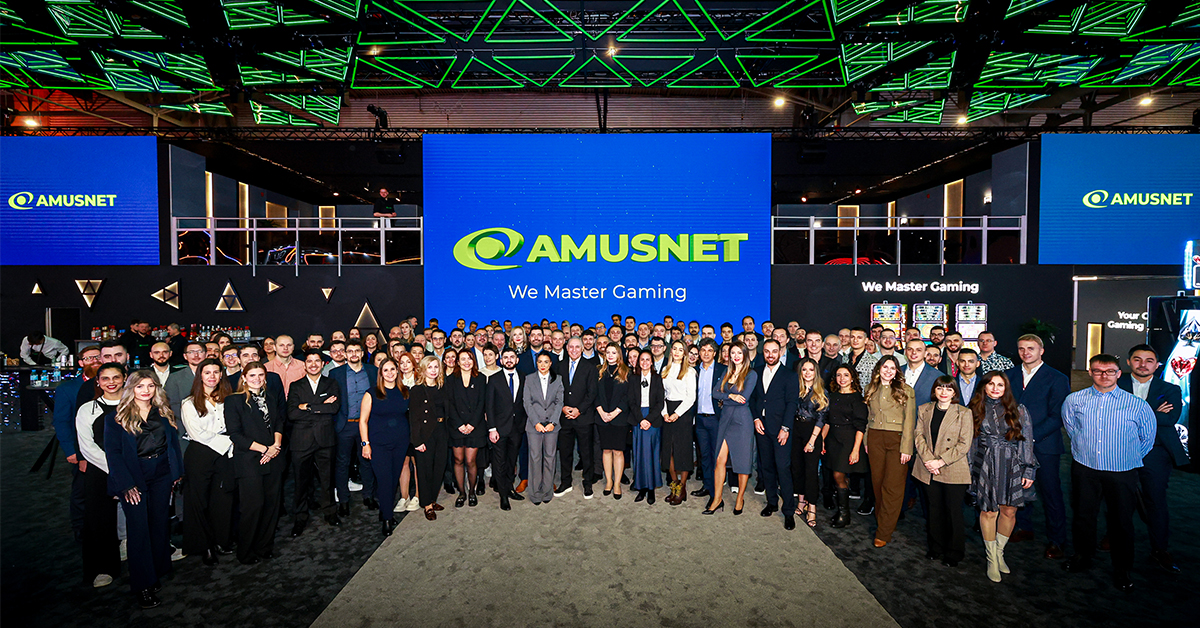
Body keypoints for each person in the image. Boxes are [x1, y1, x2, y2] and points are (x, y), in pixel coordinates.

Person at [1061, 354, 1156, 591]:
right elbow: (1072, 429)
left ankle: (1122, 568)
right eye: (1098, 371)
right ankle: (1083, 556)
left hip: (1122, 471)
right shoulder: (1074, 400)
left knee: (1122, 522)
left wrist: (1123, 456)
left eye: (1109, 371)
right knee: (1083, 515)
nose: (1104, 376)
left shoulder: (1137, 405)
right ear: (1090, 372)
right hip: (1085, 468)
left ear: (1118, 373)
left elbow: (1147, 440)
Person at [103, 370, 183, 609]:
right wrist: (127, 484)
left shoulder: (163, 411)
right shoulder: (115, 417)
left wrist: (175, 475)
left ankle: (157, 570)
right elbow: (113, 454)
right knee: (138, 530)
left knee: (159, 523)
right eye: (140, 386)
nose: (146, 390)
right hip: (134, 476)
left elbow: (172, 445)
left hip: (161, 474)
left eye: (150, 386)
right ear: (131, 389)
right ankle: (143, 585)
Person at [1117, 344, 1186, 573]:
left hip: (1156, 452)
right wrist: (1153, 413)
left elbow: (1170, 419)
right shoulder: (1117, 384)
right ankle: (1113, 537)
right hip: (1120, 450)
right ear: (1129, 362)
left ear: (1157, 364)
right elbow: (1111, 416)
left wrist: (1131, 414)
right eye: (1137, 359)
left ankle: (1160, 549)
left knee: (1155, 500)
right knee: (1117, 499)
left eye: (1149, 360)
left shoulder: (1171, 389)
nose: (1142, 364)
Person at [1006, 334, 1071, 558]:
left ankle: (1057, 540)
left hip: (1044, 445)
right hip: (1013, 443)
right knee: (1018, 489)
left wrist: (1028, 438)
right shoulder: (1009, 375)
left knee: (1050, 492)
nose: (1026, 353)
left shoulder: (1057, 378)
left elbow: (1057, 416)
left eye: (1031, 348)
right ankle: (1024, 528)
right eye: (1022, 348)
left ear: (1041, 350)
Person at [969, 371, 1038, 582]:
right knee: (989, 511)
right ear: (984, 386)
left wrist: (1029, 469)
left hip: (1013, 464)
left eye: (1000, 384)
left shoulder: (1019, 410)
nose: (995, 388)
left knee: (1009, 511)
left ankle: (1000, 553)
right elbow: (970, 444)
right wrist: (970, 471)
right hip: (985, 464)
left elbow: (1026, 441)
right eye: (991, 384)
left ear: (1006, 388)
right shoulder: (973, 410)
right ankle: (991, 559)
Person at [224, 362, 284, 565]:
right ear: (243, 377)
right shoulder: (234, 401)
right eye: (252, 375)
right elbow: (235, 435)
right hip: (250, 460)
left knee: (271, 505)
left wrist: (275, 445)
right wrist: (264, 449)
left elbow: (278, 423)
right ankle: (246, 550)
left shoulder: (271, 397)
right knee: (253, 507)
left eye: (260, 375)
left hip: (274, 458)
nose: (257, 378)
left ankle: (264, 546)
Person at [912, 375, 973, 567]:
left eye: (948, 389)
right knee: (933, 509)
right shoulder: (924, 409)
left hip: (952, 468)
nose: (943, 392)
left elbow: (964, 444)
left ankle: (954, 551)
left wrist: (940, 462)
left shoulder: (964, 413)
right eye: (940, 388)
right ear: (934, 390)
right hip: (927, 466)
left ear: (954, 392)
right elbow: (918, 435)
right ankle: (936, 547)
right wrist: (929, 460)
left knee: (953, 511)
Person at [179, 359, 235, 566]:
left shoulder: (229, 399)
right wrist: (231, 441)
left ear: (221, 375)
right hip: (201, 454)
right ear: (200, 376)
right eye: (207, 372)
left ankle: (221, 540)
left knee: (222, 499)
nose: (211, 376)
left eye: (216, 372)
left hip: (225, 455)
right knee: (199, 501)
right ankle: (205, 546)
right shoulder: (189, 402)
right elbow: (197, 434)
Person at [75, 363, 125, 588]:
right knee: (99, 520)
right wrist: (115, 467)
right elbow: (87, 447)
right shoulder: (88, 409)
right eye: (105, 378)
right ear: (98, 382)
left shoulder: (135, 404)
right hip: (100, 469)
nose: (111, 382)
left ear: (125, 378)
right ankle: (104, 568)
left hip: (134, 467)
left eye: (116, 377)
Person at [286, 349, 341, 536]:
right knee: (301, 482)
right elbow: (292, 413)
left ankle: (330, 512)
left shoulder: (331, 383)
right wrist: (319, 407)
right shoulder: (296, 386)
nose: (313, 364)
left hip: (325, 439)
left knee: (327, 479)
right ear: (305, 364)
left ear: (323, 363)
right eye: (309, 361)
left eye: (317, 361)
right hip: (301, 441)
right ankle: (300, 518)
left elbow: (333, 408)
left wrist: (307, 407)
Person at [864, 355, 916, 547]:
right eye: (885, 367)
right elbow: (869, 418)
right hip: (875, 439)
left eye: (892, 368)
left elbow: (910, 421)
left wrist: (906, 448)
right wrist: (866, 442)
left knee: (892, 487)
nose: (888, 371)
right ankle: (883, 520)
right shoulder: (871, 389)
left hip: (897, 440)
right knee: (877, 484)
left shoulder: (906, 391)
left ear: (897, 371)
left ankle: (884, 532)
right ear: (879, 369)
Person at [54, 346, 103, 541]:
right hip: (81, 448)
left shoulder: (114, 382)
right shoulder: (67, 389)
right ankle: (80, 528)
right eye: (89, 358)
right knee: (82, 491)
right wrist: (70, 450)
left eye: (98, 357)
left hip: (108, 447)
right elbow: (62, 421)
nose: (95, 361)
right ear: (81, 363)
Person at [359, 358, 410, 536]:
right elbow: (363, 421)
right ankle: (387, 519)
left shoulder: (404, 392)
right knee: (385, 480)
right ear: (380, 373)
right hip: (378, 444)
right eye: (386, 370)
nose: (390, 373)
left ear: (397, 372)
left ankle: (384, 510)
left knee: (393, 478)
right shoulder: (371, 393)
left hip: (400, 443)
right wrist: (365, 444)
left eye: (393, 370)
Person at [753, 339, 800, 529]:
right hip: (762, 428)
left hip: (781, 429)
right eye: (766, 351)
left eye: (774, 351)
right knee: (767, 468)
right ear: (762, 352)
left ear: (780, 352)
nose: (770, 355)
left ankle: (788, 511)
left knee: (783, 469)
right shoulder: (755, 372)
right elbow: (753, 399)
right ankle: (771, 503)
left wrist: (786, 428)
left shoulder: (789, 375)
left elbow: (792, 403)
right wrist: (756, 418)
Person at [328, 340, 378, 516]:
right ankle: (343, 500)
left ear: (362, 353)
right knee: (342, 464)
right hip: (345, 425)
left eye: (357, 350)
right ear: (345, 354)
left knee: (367, 461)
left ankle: (369, 496)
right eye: (350, 351)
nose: (354, 354)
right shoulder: (335, 373)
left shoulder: (373, 371)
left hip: (367, 425)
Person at [707, 342, 758, 515]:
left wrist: (726, 397)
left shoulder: (751, 374)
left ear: (745, 354)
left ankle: (740, 498)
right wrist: (730, 396)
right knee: (719, 460)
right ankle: (717, 499)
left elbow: (744, 398)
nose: (736, 356)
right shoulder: (726, 372)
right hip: (725, 420)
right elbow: (714, 393)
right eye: (732, 352)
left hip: (742, 421)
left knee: (743, 463)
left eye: (739, 352)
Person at [823, 365, 869, 527]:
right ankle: (842, 509)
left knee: (838, 476)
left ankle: (844, 514)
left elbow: (860, 426)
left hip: (848, 441)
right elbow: (827, 420)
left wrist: (856, 450)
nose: (842, 378)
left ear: (852, 378)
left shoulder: (857, 399)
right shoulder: (833, 396)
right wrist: (821, 439)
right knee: (837, 476)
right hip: (833, 439)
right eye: (838, 375)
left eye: (846, 375)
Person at [555, 338, 598, 498]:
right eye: (571, 347)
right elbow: (555, 390)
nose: (574, 350)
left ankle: (587, 484)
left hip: (583, 417)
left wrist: (579, 409)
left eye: (577, 347)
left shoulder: (590, 367)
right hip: (564, 417)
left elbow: (592, 392)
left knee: (586, 452)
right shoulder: (558, 367)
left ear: (582, 349)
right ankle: (565, 483)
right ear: (567, 348)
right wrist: (563, 407)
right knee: (565, 452)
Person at [486, 348, 527, 510]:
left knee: (511, 461)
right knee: (499, 462)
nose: (509, 360)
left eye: (512, 357)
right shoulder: (494, 379)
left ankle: (509, 488)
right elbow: (489, 406)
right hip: (499, 429)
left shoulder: (524, 377)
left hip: (517, 428)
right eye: (506, 358)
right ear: (501, 361)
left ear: (517, 360)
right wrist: (492, 429)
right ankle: (503, 495)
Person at [410, 356, 451, 520]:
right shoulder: (417, 389)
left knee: (438, 468)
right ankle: (426, 504)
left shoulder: (443, 387)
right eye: (430, 367)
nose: (433, 370)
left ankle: (432, 500)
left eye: (436, 367)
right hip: (425, 433)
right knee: (425, 470)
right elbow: (413, 418)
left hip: (442, 431)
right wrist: (417, 441)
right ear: (423, 369)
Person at [448, 349, 487, 507]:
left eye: (469, 358)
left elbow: (481, 403)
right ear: (457, 362)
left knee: (470, 461)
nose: (466, 362)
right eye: (462, 359)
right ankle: (462, 493)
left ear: (473, 361)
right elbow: (449, 404)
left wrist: (471, 424)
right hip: (456, 426)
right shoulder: (450, 380)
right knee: (458, 460)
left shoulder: (481, 378)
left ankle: (472, 491)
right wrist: (459, 424)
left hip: (475, 426)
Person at [524, 352, 564, 505]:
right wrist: (536, 423)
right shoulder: (529, 379)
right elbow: (527, 403)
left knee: (550, 457)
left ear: (550, 364)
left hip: (552, 426)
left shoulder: (558, 379)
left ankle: (547, 491)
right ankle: (534, 493)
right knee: (534, 458)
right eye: (540, 361)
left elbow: (559, 402)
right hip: (534, 425)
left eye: (546, 362)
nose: (542, 365)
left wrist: (553, 422)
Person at [660, 340, 697, 505]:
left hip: (683, 412)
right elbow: (661, 395)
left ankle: (682, 487)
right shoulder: (664, 370)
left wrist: (676, 414)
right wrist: (665, 412)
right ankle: (674, 484)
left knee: (683, 450)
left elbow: (691, 397)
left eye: (680, 349)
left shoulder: (689, 371)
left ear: (685, 353)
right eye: (674, 349)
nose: (676, 352)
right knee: (670, 451)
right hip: (667, 411)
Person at [792, 358, 827, 528]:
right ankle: (800, 501)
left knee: (811, 471)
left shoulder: (821, 392)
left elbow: (821, 419)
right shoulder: (796, 390)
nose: (807, 373)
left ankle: (812, 507)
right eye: (804, 370)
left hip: (812, 432)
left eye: (811, 370)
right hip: (795, 431)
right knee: (797, 468)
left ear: (816, 372)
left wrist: (812, 441)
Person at [628, 349, 665, 505]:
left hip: (652, 418)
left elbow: (660, 402)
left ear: (652, 362)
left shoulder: (657, 378)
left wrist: (648, 419)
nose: (644, 362)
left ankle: (651, 489)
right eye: (641, 359)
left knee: (651, 454)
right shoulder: (633, 378)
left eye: (647, 359)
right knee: (639, 453)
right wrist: (641, 419)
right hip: (638, 418)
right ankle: (641, 486)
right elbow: (631, 402)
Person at [693, 339, 725, 500]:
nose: (706, 353)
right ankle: (707, 485)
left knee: (716, 456)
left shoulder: (723, 370)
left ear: (714, 353)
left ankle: (715, 491)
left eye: (709, 350)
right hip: (699, 419)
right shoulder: (694, 370)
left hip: (716, 419)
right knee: (704, 455)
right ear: (699, 352)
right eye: (703, 350)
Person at [164, 341, 206, 422]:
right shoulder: (175, 377)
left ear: (206, 354)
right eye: (191, 352)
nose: (196, 355)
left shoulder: (214, 375)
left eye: (199, 351)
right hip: (184, 421)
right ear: (185, 356)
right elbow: (171, 404)